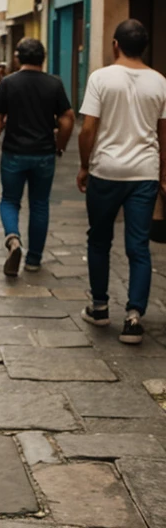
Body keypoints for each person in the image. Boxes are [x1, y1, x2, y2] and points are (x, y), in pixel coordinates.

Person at [77, 19, 166, 345]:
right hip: (144, 173)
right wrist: (162, 174)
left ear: (115, 44)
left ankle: (100, 307)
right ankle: (134, 317)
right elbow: (163, 134)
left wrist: (85, 165)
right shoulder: (160, 82)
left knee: (99, 240)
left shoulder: (101, 78)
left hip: (106, 171)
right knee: (138, 247)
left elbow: (88, 129)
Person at [0, 38, 75, 276]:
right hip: (44, 153)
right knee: (39, 204)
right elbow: (68, 118)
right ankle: (34, 259)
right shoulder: (54, 84)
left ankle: (13, 237)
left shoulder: (8, 83)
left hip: (14, 152)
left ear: (17, 58)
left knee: (10, 200)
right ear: (42, 58)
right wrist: (60, 145)